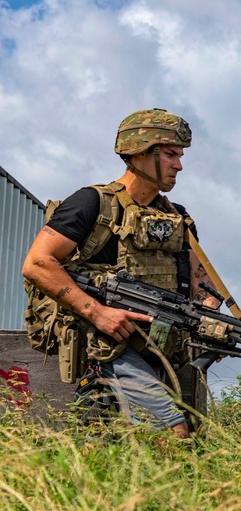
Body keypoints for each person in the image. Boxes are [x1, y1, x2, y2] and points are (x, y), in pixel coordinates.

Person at [22, 108, 219, 437]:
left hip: (161, 348)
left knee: (116, 445)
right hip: (105, 344)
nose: (179, 165)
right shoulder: (92, 204)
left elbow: (203, 286)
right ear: (141, 152)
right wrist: (98, 313)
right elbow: (37, 263)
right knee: (173, 430)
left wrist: (211, 321)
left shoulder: (178, 219)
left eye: (180, 156)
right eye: (170, 154)